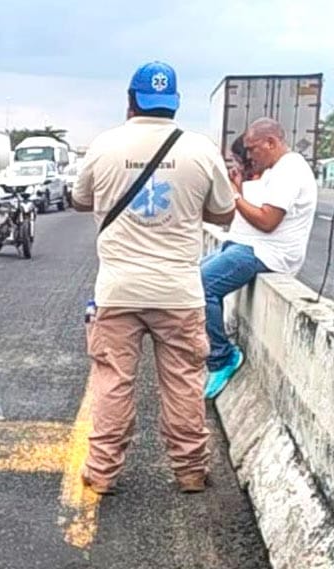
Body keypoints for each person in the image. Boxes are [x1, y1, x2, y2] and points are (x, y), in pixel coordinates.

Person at [71, 61, 236, 494]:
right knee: (183, 382)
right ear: (174, 104)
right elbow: (223, 212)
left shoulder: (104, 146)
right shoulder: (200, 150)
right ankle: (190, 472)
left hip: (118, 291)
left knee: (113, 382)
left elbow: (79, 200)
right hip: (179, 292)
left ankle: (103, 472)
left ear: (130, 101)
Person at [201, 118, 318, 399]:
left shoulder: (290, 171)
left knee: (201, 285)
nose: (250, 154)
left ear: (271, 143)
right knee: (191, 275)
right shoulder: (274, 171)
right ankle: (206, 346)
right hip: (249, 244)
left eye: (253, 149)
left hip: (269, 252)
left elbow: (268, 221)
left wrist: (234, 196)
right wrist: (239, 192)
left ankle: (222, 356)